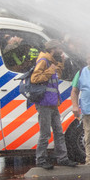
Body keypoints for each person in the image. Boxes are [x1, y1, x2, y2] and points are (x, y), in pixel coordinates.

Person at [29, 40, 77, 170]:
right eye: (59, 49)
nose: (61, 51)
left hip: (53, 102)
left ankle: (63, 158)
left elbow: (57, 76)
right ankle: (40, 159)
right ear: (52, 49)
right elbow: (35, 78)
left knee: (58, 132)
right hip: (44, 102)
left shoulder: (51, 61)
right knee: (45, 133)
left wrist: (60, 64)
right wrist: (50, 70)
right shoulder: (44, 60)